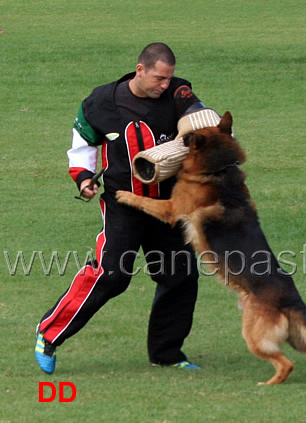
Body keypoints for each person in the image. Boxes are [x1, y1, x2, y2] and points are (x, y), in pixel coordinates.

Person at [35, 43, 211, 374]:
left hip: (168, 205)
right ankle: (49, 333)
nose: (164, 85)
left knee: (180, 274)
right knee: (113, 275)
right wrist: (85, 178)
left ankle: (167, 354)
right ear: (140, 70)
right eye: (159, 78)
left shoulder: (179, 91)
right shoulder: (102, 102)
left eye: (168, 78)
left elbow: (202, 119)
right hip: (123, 203)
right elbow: (83, 141)